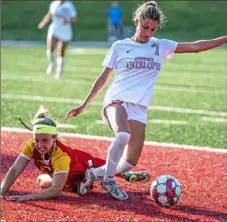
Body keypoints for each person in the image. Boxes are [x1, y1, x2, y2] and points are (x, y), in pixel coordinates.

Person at [65, 1, 227, 201]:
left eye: (153, 29)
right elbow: (103, 78)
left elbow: (196, 46)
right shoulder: (119, 46)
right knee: (123, 134)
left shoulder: (161, 46)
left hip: (139, 108)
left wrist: (225, 39)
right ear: (136, 21)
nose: (148, 33)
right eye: (145, 27)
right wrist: (84, 105)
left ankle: (94, 174)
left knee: (129, 162)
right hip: (116, 101)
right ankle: (108, 180)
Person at [0, 106, 150, 202]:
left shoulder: (61, 156)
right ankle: (111, 176)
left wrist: (26, 198)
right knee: (42, 181)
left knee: (104, 169)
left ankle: (122, 173)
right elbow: (14, 169)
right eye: (36, 140)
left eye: (44, 140)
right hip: (63, 177)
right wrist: (2, 190)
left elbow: (56, 191)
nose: (39, 145)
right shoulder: (32, 145)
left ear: (54, 138)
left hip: (83, 166)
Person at [38, 0, 78, 79]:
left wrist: (67, 21)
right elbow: (50, 14)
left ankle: (60, 72)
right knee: (51, 48)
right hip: (54, 29)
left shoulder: (69, 5)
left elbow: (74, 18)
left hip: (65, 30)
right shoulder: (54, 3)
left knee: (61, 51)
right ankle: (52, 63)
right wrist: (43, 22)